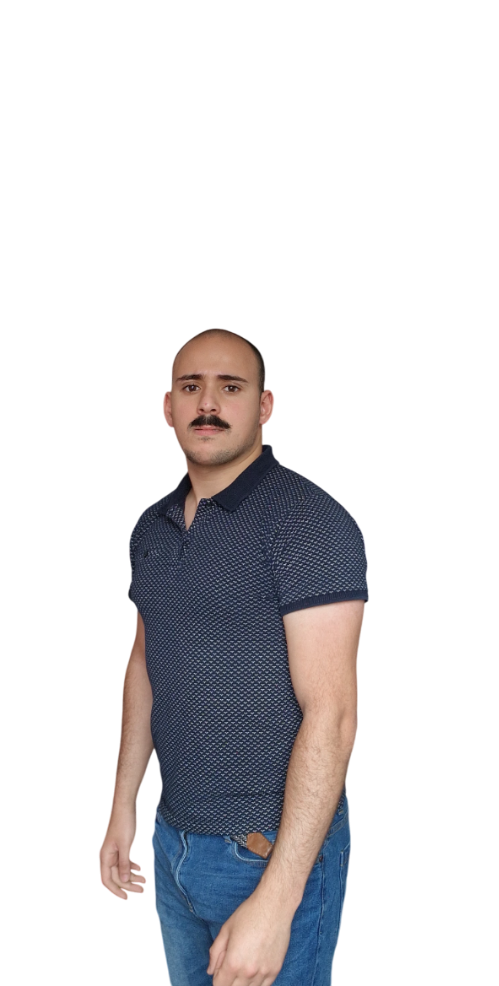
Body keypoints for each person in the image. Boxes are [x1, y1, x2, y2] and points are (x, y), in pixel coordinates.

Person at [99, 328, 369, 985]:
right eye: (191, 387)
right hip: (172, 841)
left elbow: (333, 718)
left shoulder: (307, 522)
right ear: (168, 407)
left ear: (265, 406)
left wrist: (277, 901)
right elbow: (146, 663)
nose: (208, 403)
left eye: (231, 387)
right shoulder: (151, 527)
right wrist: (123, 806)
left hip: (268, 853)